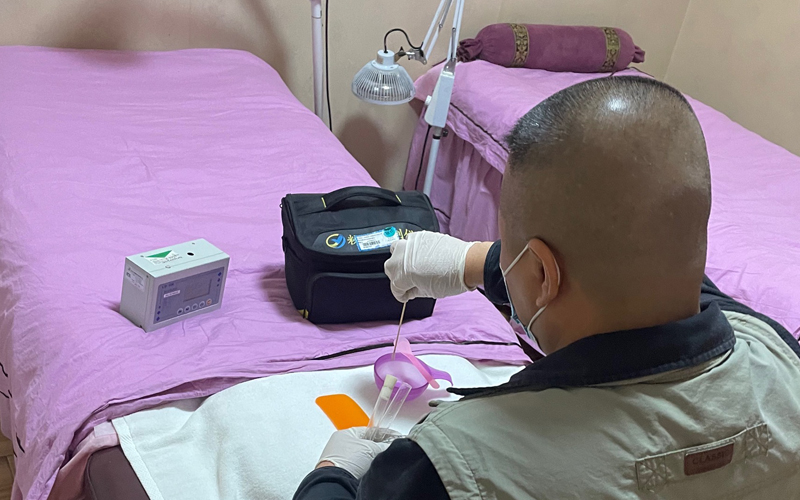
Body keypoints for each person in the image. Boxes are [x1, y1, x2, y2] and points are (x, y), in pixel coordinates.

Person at [293, 76, 800, 500]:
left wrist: (332, 474)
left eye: (509, 250)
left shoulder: (453, 468)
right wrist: (474, 262)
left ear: (541, 275)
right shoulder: (778, 354)